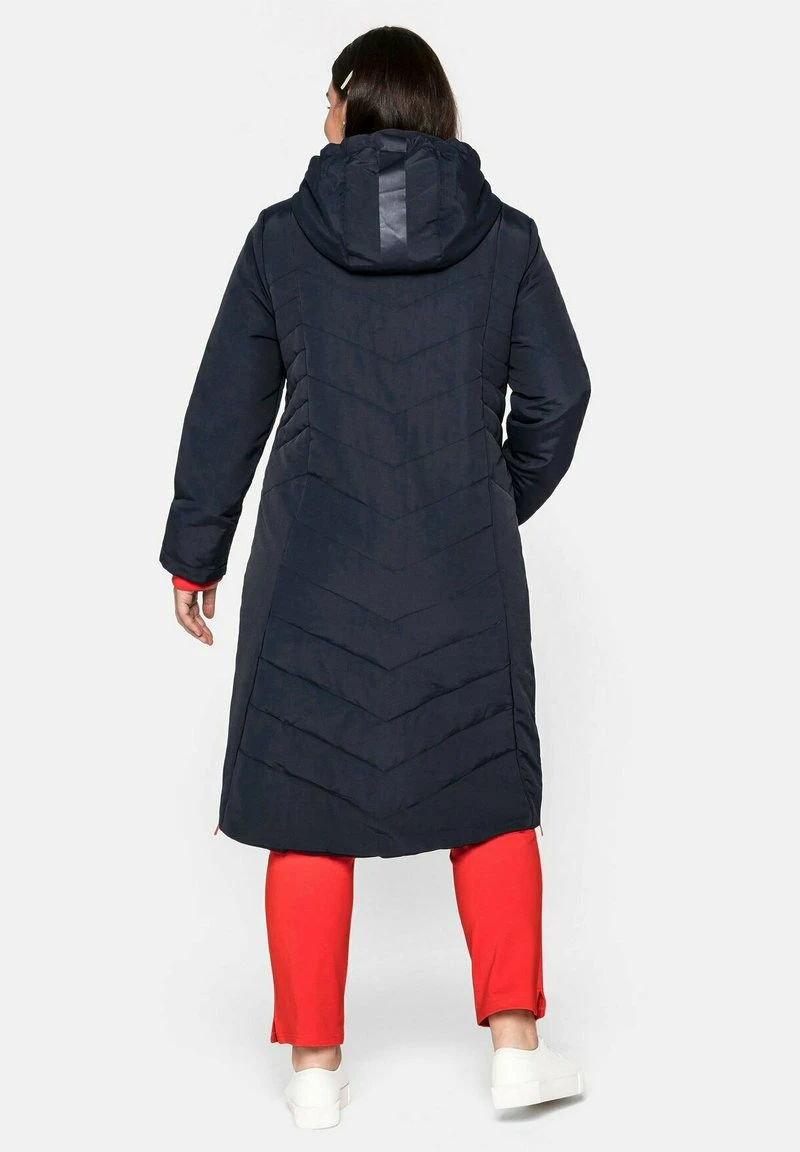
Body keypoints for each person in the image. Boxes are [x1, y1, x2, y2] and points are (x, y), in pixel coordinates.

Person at [160, 25, 591, 1130]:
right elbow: (559, 394)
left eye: (327, 96)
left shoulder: (280, 241)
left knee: (306, 801)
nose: (319, 115)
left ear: (353, 104)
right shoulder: (505, 240)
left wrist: (195, 550)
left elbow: (227, 407)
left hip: (312, 570)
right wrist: (488, 500)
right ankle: (514, 1052)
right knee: (488, 791)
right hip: (460, 572)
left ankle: (313, 1073)